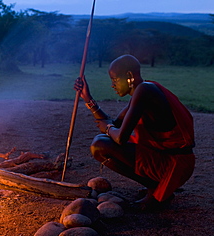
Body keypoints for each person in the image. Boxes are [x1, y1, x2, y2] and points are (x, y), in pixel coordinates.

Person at [74, 54, 195, 211]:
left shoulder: (145, 90)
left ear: (129, 76)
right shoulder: (143, 90)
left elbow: (121, 137)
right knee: (101, 140)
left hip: (174, 165)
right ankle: (156, 185)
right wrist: (87, 98)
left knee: (100, 144)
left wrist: (108, 129)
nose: (112, 85)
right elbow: (114, 123)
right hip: (167, 158)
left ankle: (156, 189)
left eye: (115, 80)